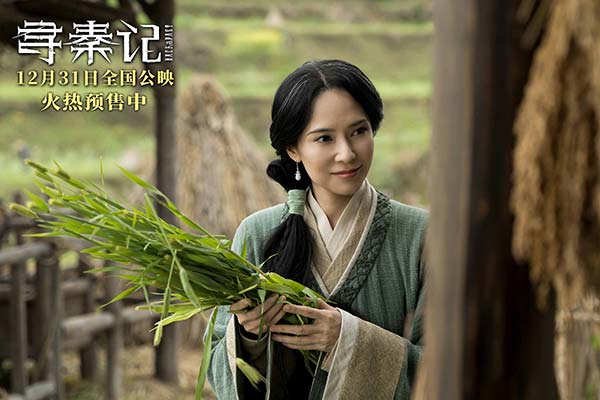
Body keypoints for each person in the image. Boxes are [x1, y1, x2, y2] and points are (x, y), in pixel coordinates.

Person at [207, 59, 427, 400]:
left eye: (359, 131)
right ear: (293, 149)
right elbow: (217, 365)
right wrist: (249, 335)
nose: (347, 153)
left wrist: (347, 339)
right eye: (324, 138)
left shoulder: (422, 235)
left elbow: (451, 368)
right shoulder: (256, 233)